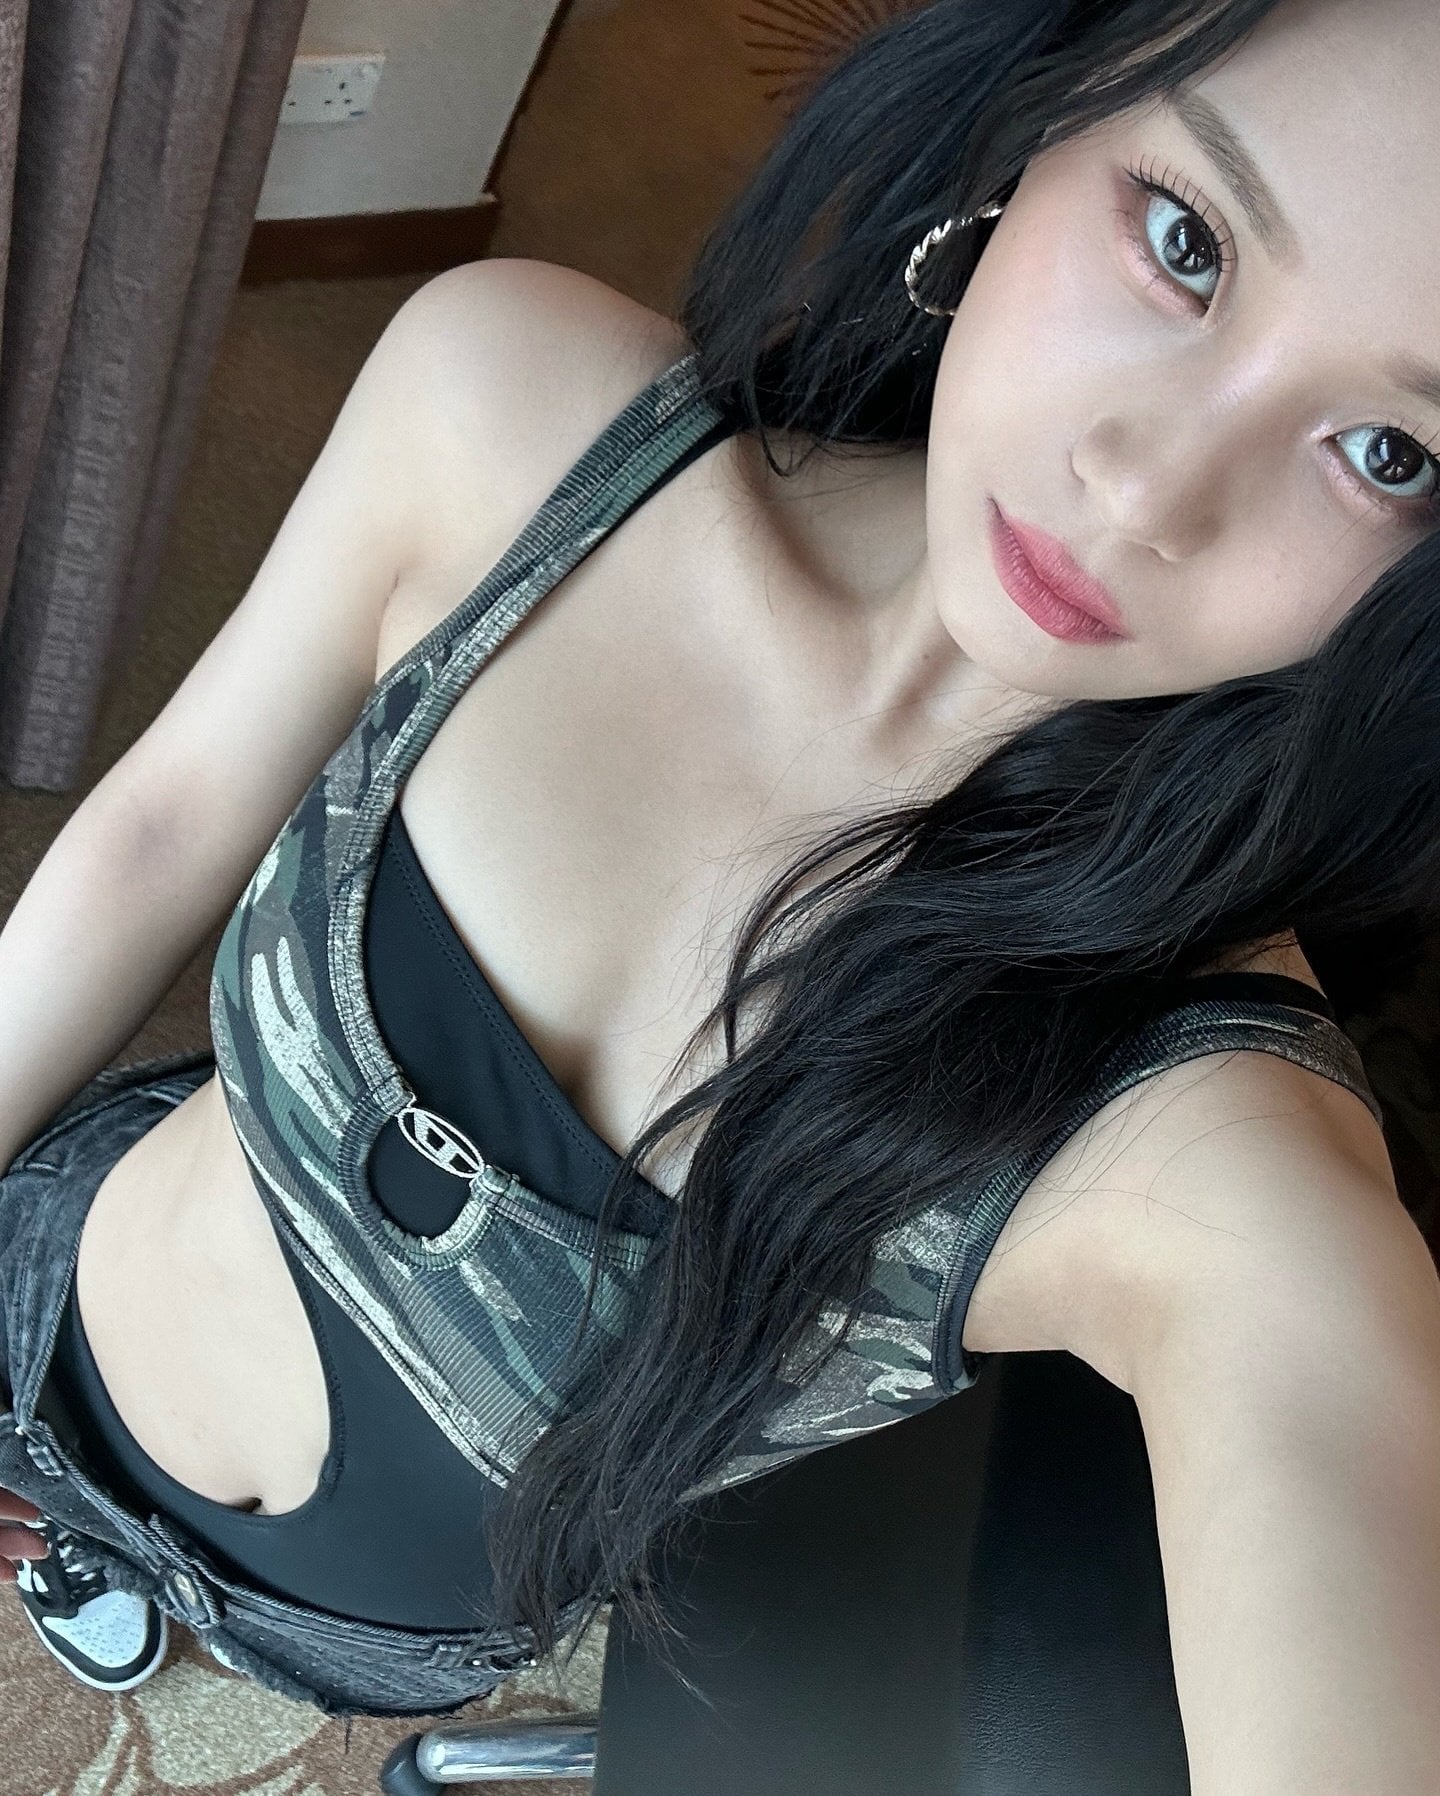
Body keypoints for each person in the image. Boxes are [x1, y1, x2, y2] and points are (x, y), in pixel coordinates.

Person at [0, 0, 1435, 1773]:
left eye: (1392, 454)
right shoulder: (511, 407)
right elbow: (159, 830)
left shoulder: (1193, 1136)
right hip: (51, 1274)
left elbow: (1319, 1417)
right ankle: (76, 1538)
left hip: (349, 1626)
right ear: (1037, 122)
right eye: (1187, 241)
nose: (1144, 488)